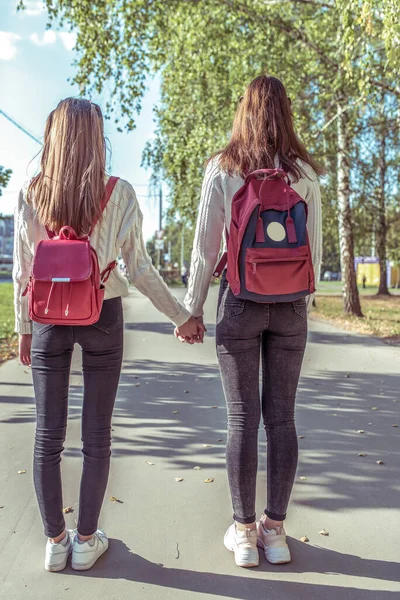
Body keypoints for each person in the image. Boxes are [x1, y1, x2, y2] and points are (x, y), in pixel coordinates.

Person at [13, 98, 204, 573]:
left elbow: (24, 271)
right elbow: (138, 267)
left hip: (48, 318)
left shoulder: (31, 192)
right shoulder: (118, 193)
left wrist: (22, 328)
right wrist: (180, 315)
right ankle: (84, 540)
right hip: (103, 314)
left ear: (52, 138)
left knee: (47, 435)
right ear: (98, 140)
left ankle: (54, 542)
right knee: (96, 434)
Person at [177, 75, 323, 568]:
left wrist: (191, 310)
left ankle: (243, 535)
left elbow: (204, 249)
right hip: (290, 308)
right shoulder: (304, 173)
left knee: (242, 419)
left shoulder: (224, 167)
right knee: (281, 418)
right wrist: (302, 296)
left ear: (244, 111)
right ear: (286, 113)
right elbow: (315, 252)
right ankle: (275, 533)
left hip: (239, 302)